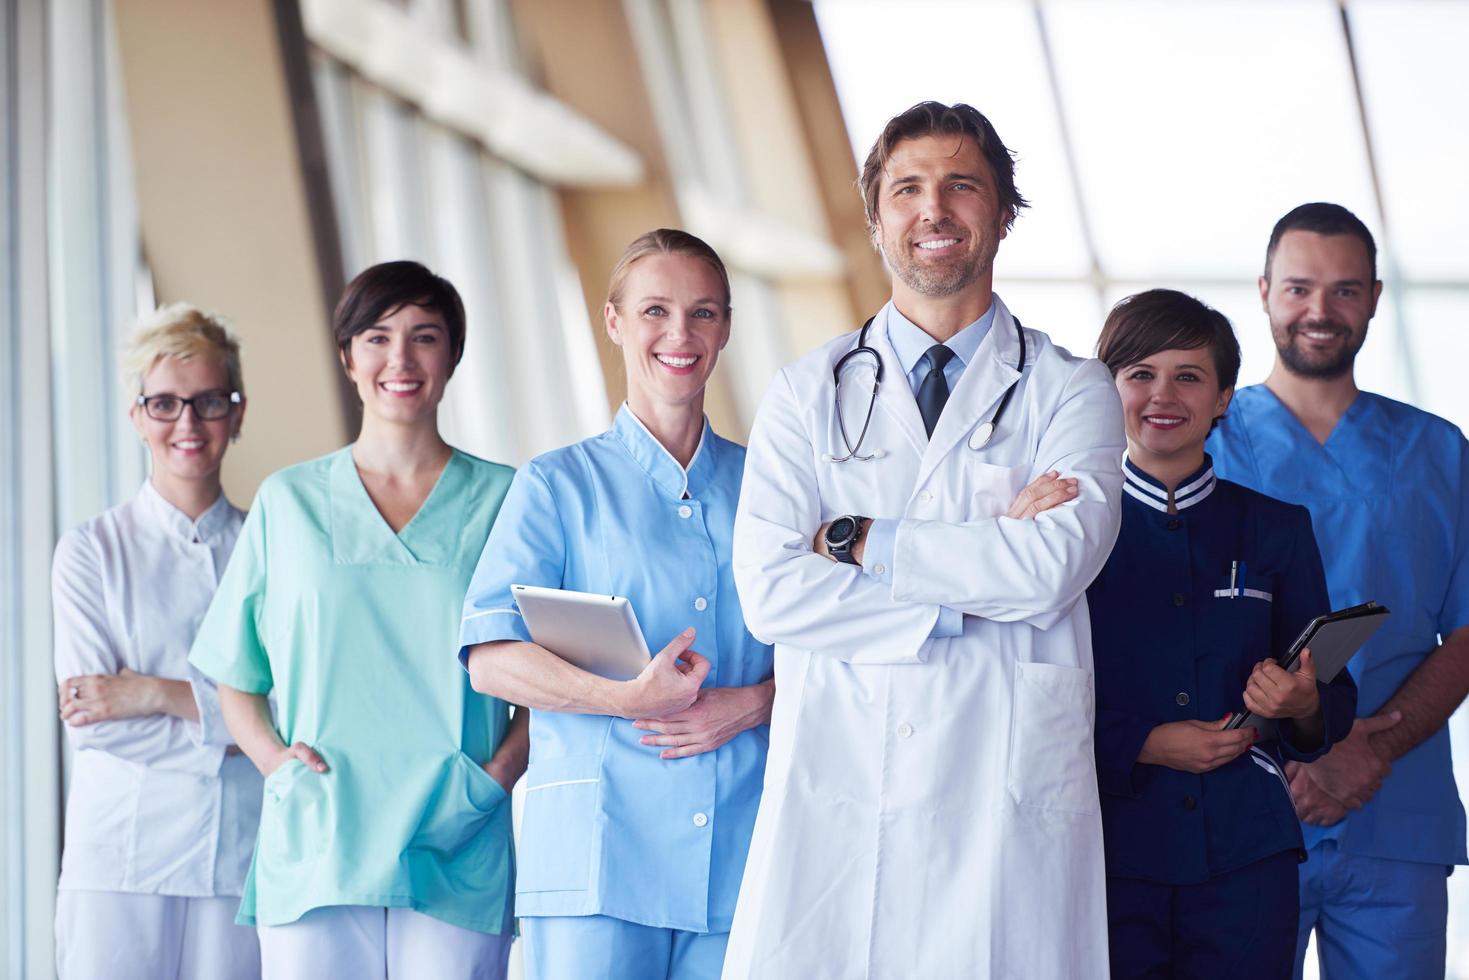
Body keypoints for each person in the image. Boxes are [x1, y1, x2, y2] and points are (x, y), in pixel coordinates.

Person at [723, 101, 1126, 978]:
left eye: (960, 186)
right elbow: (770, 592)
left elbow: (1051, 564)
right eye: (906, 189)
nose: (931, 210)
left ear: (1003, 213)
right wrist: (977, 574)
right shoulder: (805, 393)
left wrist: (857, 537)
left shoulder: (1070, 390)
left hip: (1002, 793)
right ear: (875, 222)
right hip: (843, 782)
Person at [189, 261, 524, 980]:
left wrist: (497, 775)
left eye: (423, 336)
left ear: (453, 356)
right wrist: (276, 766)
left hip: (456, 835)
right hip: (318, 836)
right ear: (347, 356)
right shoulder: (289, 503)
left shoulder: (511, 500)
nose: (398, 360)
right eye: (377, 337)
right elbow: (235, 677)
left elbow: (556, 665)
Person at [459, 229, 774, 980]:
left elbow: (832, 646)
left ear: (726, 327)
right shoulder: (557, 485)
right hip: (598, 859)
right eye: (654, 310)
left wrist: (752, 702)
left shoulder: (770, 487)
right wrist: (624, 697)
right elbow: (491, 661)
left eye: (702, 313)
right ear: (613, 322)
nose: (679, 334)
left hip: (742, 851)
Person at [1207, 202, 1469, 979]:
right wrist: (1304, 755)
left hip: (1395, 817)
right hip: (1245, 814)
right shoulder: (1203, 447)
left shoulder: (1437, 452)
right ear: (1262, 293)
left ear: (1375, 298)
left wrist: (1368, 749)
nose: (1319, 310)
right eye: (1298, 289)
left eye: (1344, 290)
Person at [1090, 288, 1357, 978]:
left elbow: (1330, 694)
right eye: (1139, 375)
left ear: (1222, 399)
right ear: (1103, 389)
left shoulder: (1275, 527)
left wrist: (1301, 704)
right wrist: (1143, 742)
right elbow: (1022, 689)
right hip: (1107, 849)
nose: (1161, 395)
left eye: (1188, 376)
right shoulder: (1068, 533)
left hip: (1246, 856)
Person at [52, 304, 262, 980]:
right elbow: (94, 725)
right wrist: (241, 725)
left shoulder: (273, 546)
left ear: (238, 411)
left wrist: (154, 693)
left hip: (239, 855)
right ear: (138, 416)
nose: (188, 424)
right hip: (121, 857)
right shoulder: (90, 551)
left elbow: (298, 710)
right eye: (165, 404)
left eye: (207, 402)